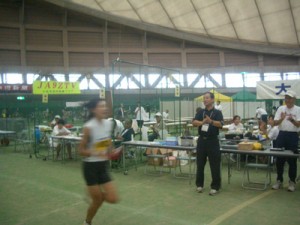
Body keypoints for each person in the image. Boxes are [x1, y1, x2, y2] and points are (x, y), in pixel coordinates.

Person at [79, 98, 119, 225]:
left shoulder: (109, 123)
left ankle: (93, 193)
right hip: (90, 167)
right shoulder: (88, 127)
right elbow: (81, 150)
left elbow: (107, 140)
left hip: (103, 166)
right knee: (97, 200)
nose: (105, 108)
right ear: (93, 109)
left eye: (105, 106)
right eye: (101, 106)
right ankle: (87, 222)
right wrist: (97, 153)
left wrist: (111, 149)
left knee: (112, 199)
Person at [192, 92, 224, 196]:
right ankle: (199, 185)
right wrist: (202, 123)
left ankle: (215, 187)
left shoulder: (217, 112)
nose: (205, 100)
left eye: (207, 98)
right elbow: (194, 122)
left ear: (212, 100)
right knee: (200, 164)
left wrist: (210, 121)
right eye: (204, 98)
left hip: (212, 141)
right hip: (202, 140)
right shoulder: (201, 112)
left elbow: (221, 124)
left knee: (214, 164)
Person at [272, 90, 300, 192]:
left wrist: (291, 119)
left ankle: (292, 182)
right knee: (279, 160)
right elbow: (275, 123)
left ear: (294, 99)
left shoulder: (298, 109)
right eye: (286, 98)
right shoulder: (281, 108)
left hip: (293, 135)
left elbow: (298, 125)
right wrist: (282, 118)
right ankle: (279, 180)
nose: (287, 100)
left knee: (292, 160)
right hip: (282, 135)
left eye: (289, 98)